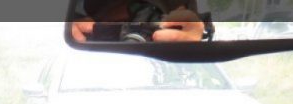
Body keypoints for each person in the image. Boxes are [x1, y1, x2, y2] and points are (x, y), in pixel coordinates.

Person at [71, 0, 214, 43]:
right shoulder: (83, 30)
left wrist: (193, 43)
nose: (137, 27)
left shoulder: (179, 32)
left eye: (153, 19)